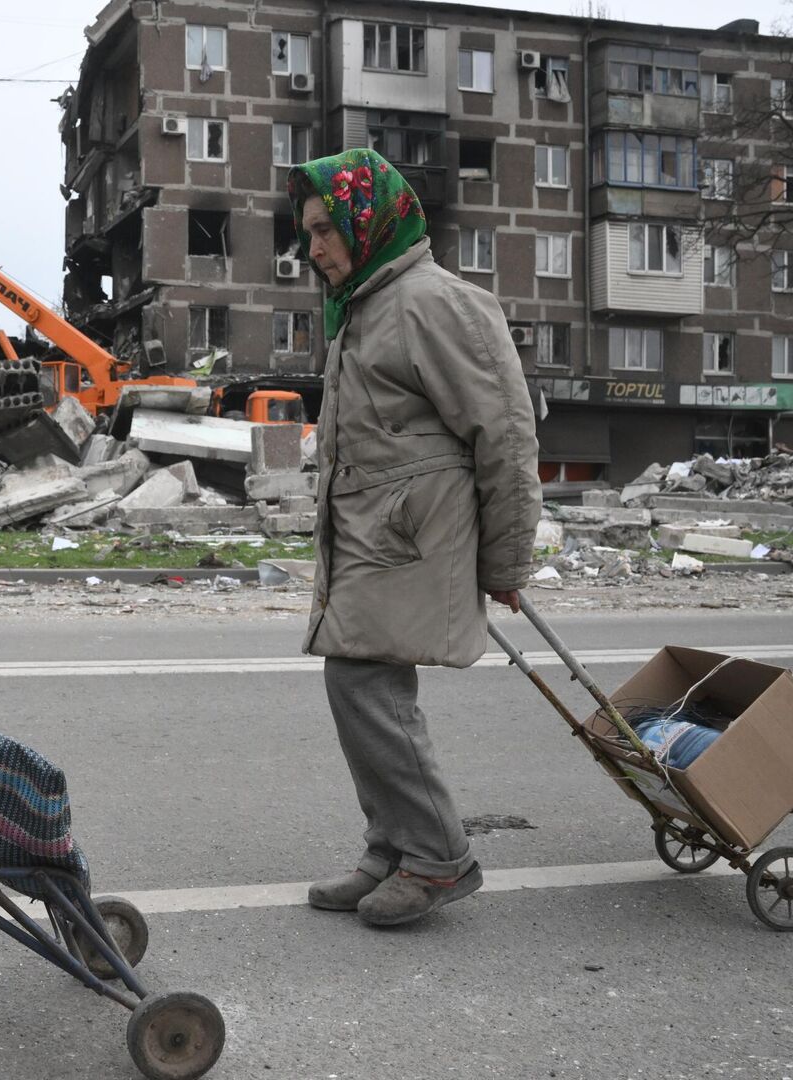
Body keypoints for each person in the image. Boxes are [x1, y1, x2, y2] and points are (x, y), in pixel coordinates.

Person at [287, 149, 540, 928]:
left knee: (364, 684)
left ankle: (437, 857)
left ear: (369, 221)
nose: (316, 249)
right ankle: (391, 846)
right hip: (374, 534)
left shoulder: (434, 302)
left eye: (327, 229)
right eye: (309, 236)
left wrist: (505, 559)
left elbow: (503, 434)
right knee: (357, 682)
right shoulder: (364, 305)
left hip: (412, 535)